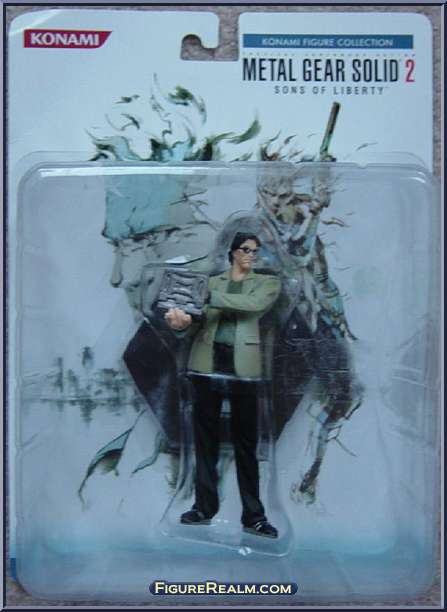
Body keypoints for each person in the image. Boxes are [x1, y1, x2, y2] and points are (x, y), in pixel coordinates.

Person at [165, 233, 281, 538]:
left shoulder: (267, 283)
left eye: (255, 251)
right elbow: (195, 321)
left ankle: (254, 516)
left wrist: (207, 297)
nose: (251, 255)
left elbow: (253, 304)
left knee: (247, 445)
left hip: (245, 371)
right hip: (206, 366)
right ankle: (203, 507)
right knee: (205, 442)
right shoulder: (210, 283)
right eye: (246, 249)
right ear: (232, 253)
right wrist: (181, 324)